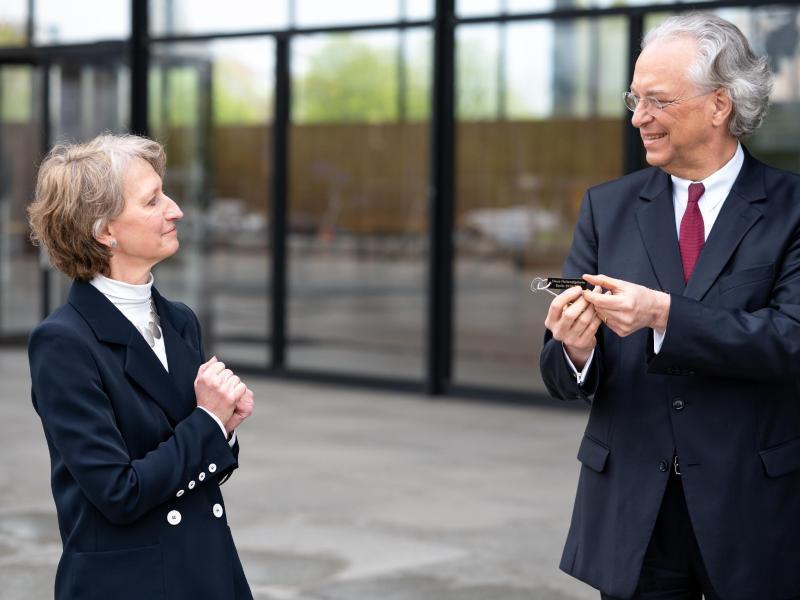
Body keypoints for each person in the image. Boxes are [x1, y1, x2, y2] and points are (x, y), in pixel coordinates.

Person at [540, 13, 800, 600]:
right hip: (634, 510)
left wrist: (663, 315)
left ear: (720, 105)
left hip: (753, 508)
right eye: (634, 98)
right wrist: (575, 350)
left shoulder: (791, 208)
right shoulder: (606, 208)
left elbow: (791, 340)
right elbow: (561, 377)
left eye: (657, 100)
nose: (638, 118)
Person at [27, 133, 255, 600]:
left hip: (208, 570)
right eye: (153, 201)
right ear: (104, 231)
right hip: (130, 582)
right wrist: (208, 421)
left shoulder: (179, 320)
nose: (175, 210)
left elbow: (205, 464)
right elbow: (118, 492)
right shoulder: (64, 343)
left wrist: (224, 426)